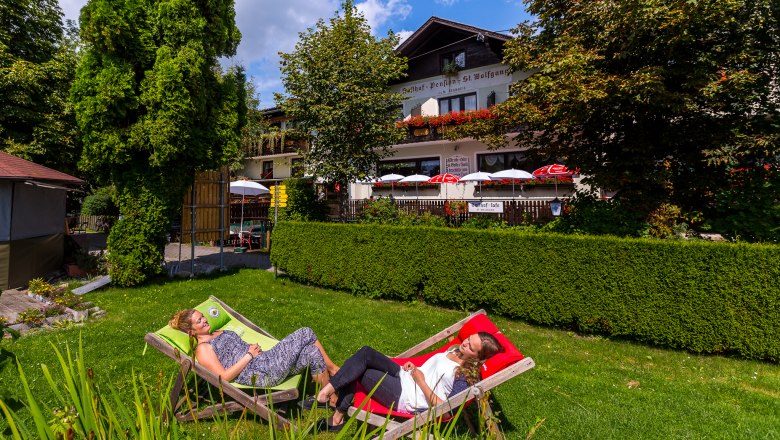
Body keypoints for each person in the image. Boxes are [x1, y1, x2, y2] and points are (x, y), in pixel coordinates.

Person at [312, 332, 504, 432]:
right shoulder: (456, 350)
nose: (465, 344)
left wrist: (421, 381)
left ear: (478, 358)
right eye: (468, 339)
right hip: (406, 375)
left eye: (471, 347)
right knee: (366, 352)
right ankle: (330, 392)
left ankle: (334, 409)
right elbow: (433, 370)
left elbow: (447, 412)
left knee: (362, 372)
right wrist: (415, 369)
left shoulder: (464, 378)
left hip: (405, 396)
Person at [169, 309, 339, 398]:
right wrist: (249, 355)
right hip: (262, 373)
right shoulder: (203, 348)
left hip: (264, 360)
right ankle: (333, 370)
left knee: (312, 352)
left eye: (203, 316)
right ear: (191, 332)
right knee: (305, 332)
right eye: (199, 321)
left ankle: (328, 397)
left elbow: (236, 348)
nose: (205, 320)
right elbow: (223, 377)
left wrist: (250, 348)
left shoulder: (218, 331)